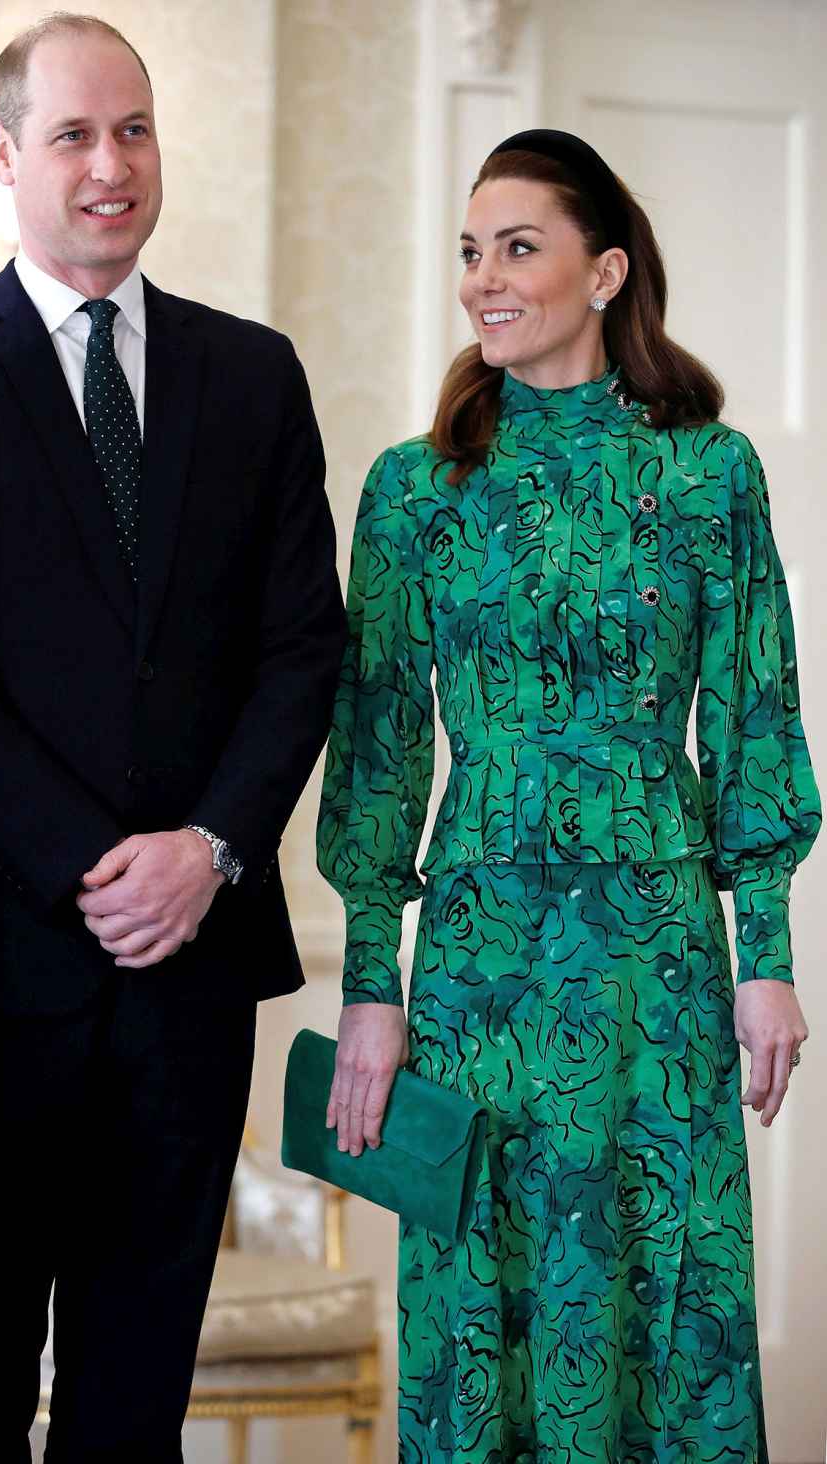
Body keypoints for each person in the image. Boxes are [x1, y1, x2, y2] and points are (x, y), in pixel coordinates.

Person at [0, 13, 345, 1462]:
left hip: (189, 984)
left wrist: (208, 852)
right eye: (72, 135)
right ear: (5, 157)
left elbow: (304, 645)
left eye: (133, 130)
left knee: (135, 1412)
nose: (110, 164)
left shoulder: (254, 377)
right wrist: (93, 865)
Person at [316, 128, 819, 1461]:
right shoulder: (415, 492)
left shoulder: (710, 475)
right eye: (470, 251)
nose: (483, 277)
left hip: (659, 967)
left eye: (517, 248)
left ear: (605, 273)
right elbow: (379, 751)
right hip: (481, 971)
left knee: (668, 1291)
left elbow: (755, 722)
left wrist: (763, 951)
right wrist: (373, 985)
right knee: (488, 1294)